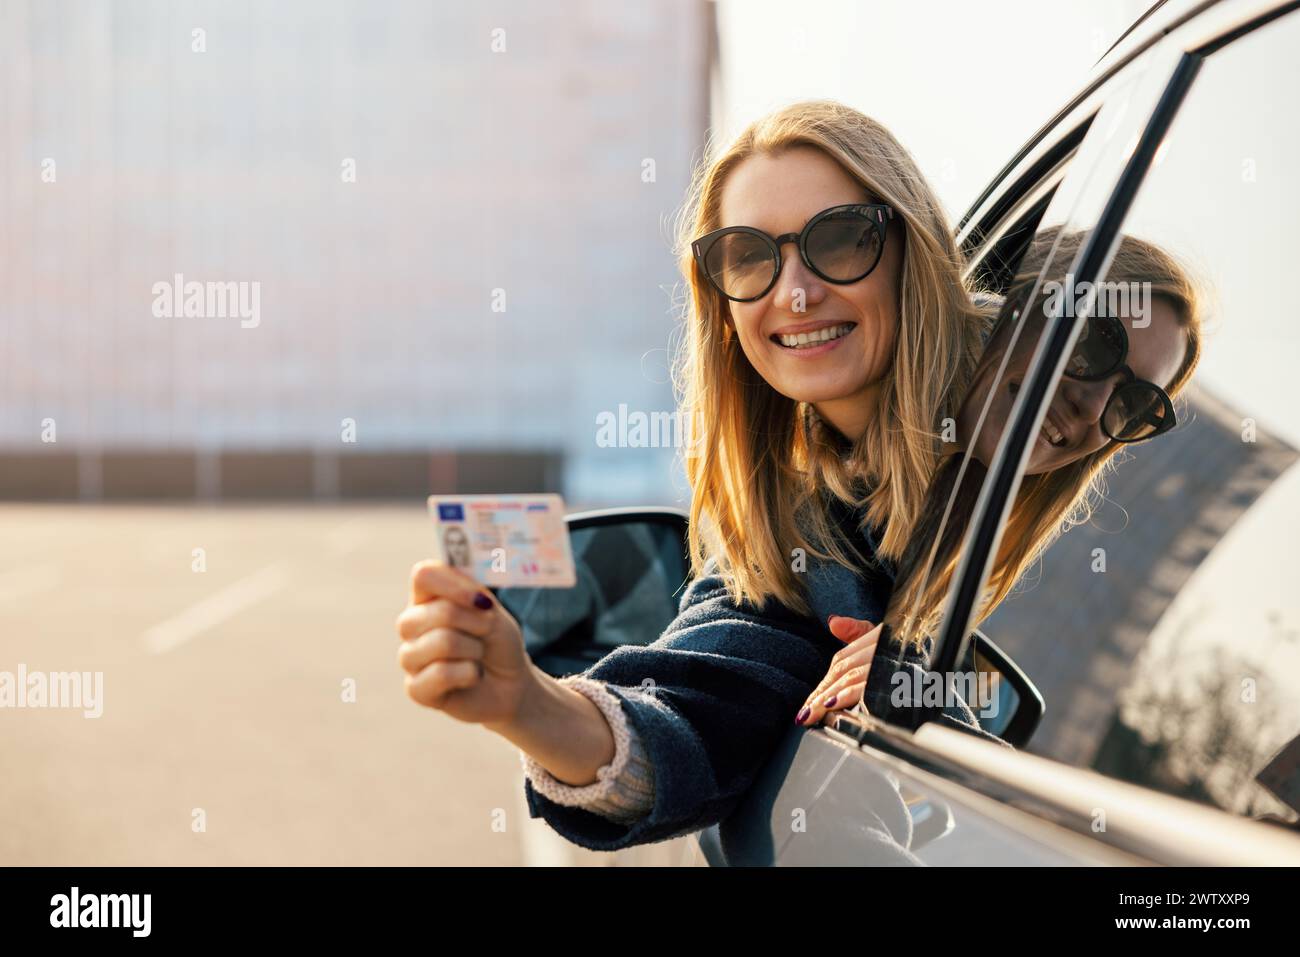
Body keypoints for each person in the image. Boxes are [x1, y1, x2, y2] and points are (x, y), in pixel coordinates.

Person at [395, 100, 996, 851]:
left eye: (839, 239)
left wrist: (941, 677)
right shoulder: (798, 535)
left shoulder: (1056, 400)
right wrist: (526, 702)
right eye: (749, 256)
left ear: (913, 245)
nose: (796, 291)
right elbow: (706, 701)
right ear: (719, 298)